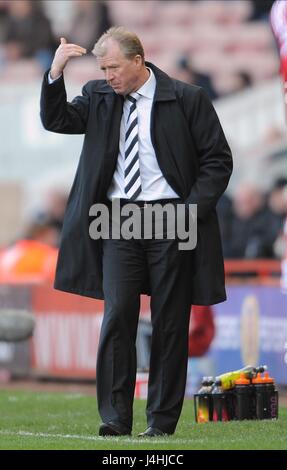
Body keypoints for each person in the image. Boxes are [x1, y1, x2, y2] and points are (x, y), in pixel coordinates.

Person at [40, 27, 232, 437]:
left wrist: (189, 212)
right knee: (118, 316)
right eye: (102, 68)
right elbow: (57, 119)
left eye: (112, 67)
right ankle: (115, 418)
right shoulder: (97, 96)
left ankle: (161, 423)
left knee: (170, 321)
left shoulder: (187, 98)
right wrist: (55, 73)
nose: (107, 75)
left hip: (171, 217)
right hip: (117, 219)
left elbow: (217, 160)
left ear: (138, 61)